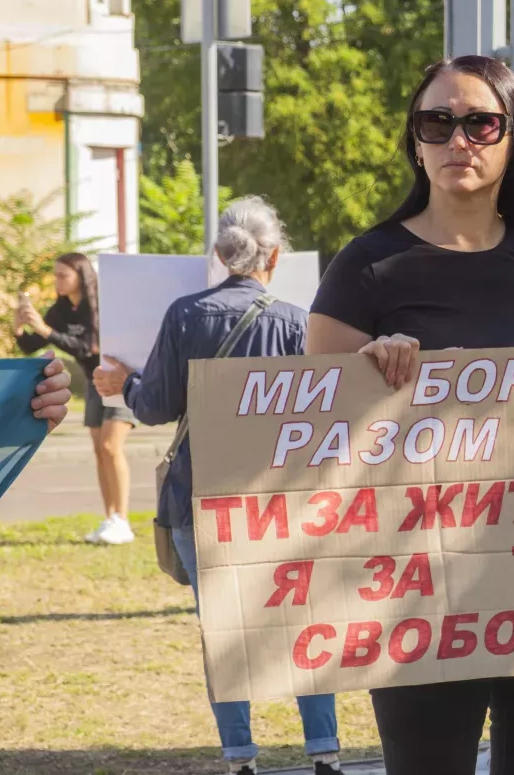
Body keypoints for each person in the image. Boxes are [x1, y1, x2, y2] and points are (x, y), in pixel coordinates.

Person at [305, 55, 514, 775]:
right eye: (437, 122)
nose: (457, 139)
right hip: (416, 589)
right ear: (415, 141)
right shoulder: (364, 267)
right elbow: (304, 428)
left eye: (480, 122)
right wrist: (367, 369)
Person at [93, 200, 342, 775]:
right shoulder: (297, 322)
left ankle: (238, 757)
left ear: (218, 256)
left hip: (198, 496)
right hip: (280, 500)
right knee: (302, 620)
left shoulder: (184, 315)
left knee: (222, 630)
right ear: (274, 256)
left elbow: (155, 405)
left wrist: (121, 382)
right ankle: (324, 751)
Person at [14, 252, 136, 545]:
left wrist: (46, 330)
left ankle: (123, 520)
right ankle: (110, 519)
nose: (57, 281)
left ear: (80, 276)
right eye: (55, 275)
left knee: (110, 446)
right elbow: (33, 344)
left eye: (62, 275)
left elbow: (85, 347)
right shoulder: (62, 309)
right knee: (99, 450)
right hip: (95, 383)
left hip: (119, 379)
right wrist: (20, 327)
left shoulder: (98, 305)